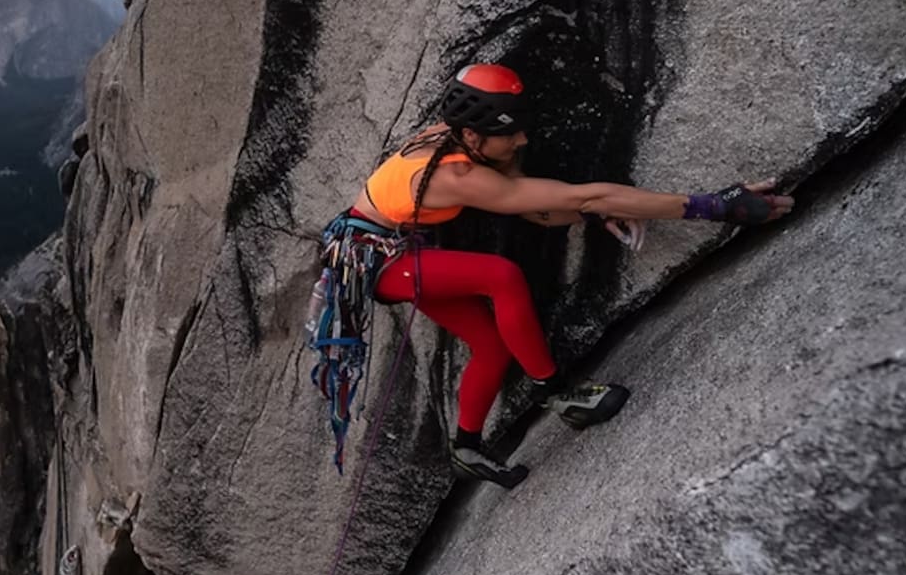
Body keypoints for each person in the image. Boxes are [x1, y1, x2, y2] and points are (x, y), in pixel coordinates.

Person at [324, 62, 794, 488]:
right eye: (511, 134)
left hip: (386, 251)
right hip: (378, 261)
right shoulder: (457, 176)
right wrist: (715, 205)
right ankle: (560, 394)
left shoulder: (452, 137)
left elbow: (540, 209)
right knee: (500, 275)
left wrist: (589, 214)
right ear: (472, 137)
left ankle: (466, 446)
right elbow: (581, 196)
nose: (523, 141)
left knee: (490, 346)